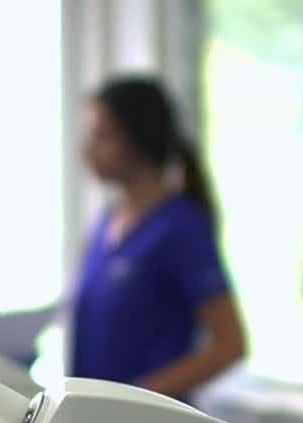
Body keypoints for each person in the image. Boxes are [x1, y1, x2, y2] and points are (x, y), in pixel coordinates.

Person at [72, 77, 245, 400]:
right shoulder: (105, 223)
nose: (88, 149)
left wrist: (139, 397)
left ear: (137, 139)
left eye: (102, 135)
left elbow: (230, 344)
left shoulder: (180, 227)